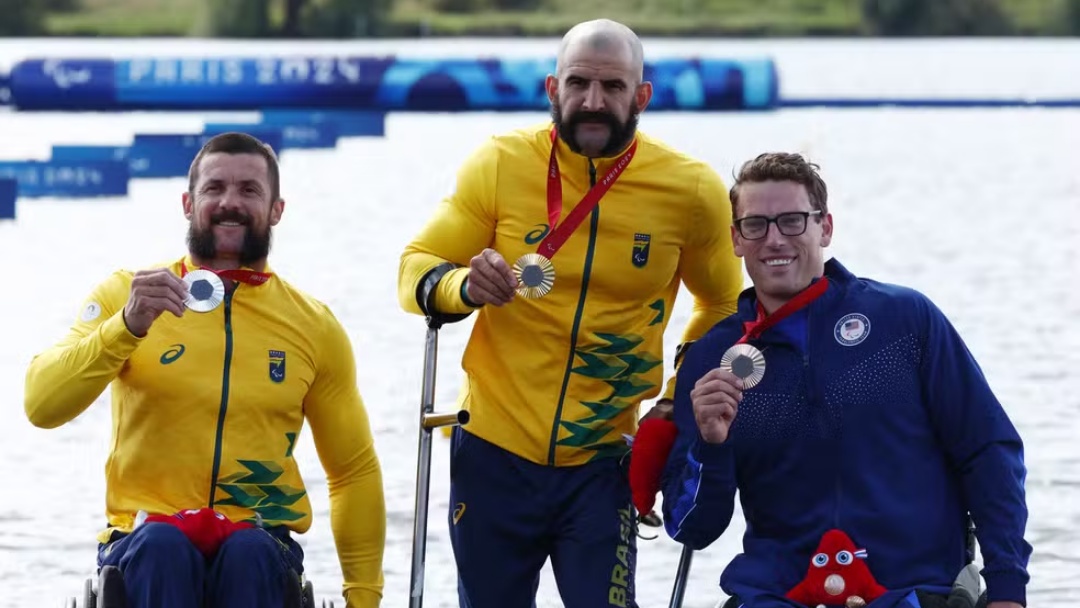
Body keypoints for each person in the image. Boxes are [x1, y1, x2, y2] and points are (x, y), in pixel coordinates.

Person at [396, 18, 744, 608]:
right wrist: (463, 287)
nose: (593, 101)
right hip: (494, 453)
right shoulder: (502, 163)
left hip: (603, 461)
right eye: (579, 83)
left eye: (612, 88)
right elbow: (414, 268)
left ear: (642, 97)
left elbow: (723, 304)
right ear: (552, 89)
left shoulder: (690, 190)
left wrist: (677, 397)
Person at [24, 132, 386, 608]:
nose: (229, 203)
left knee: (249, 550)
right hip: (144, 541)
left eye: (249, 190)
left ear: (277, 209)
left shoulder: (313, 326)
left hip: (262, 543)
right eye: (214, 188)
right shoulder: (128, 296)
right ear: (187, 203)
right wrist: (126, 328)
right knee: (164, 547)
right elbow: (40, 405)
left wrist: (363, 599)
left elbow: (352, 471)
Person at [659, 152, 1031, 608]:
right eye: (755, 225)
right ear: (736, 239)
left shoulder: (905, 321)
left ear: (825, 228)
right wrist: (710, 448)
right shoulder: (711, 360)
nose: (774, 239)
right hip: (778, 596)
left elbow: (988, 452)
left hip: (912, 593)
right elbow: (691, 528)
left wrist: (1008, 589)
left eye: (793, 221)